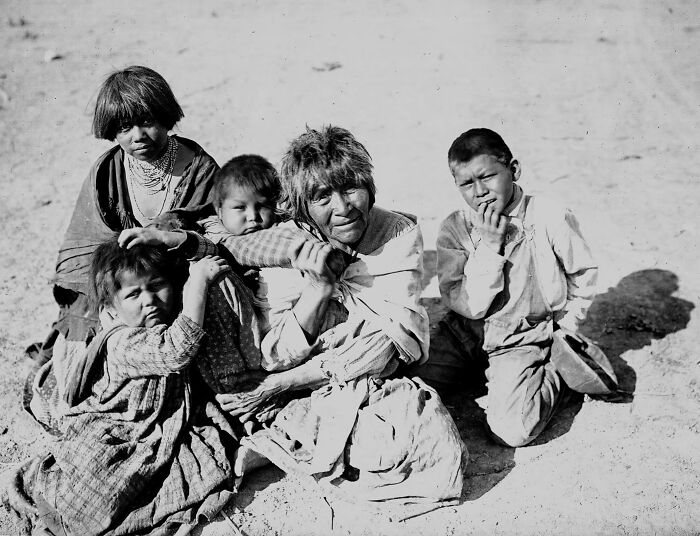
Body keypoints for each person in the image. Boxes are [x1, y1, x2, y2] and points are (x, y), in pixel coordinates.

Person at [209, 126, 467, 509]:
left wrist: (279, 384)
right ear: (303, 208)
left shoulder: (397, 233)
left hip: (362, 371)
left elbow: (394, 341)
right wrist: (317, 290)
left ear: (370, 188)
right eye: (322, 196)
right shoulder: (290, 243)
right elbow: (274, 352)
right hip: (316, 372)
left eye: (351, 188)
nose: (343, 207)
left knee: (423, 439)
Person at [26, 66, 219, 431]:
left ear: (165, 117)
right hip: (121, 280)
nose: (137, 135)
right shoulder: (107, 171)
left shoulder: (199, 168)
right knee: (90, 340)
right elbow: (84, 244)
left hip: (178, 275)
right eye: (124, 128)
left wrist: (166, 236)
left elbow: (216, 231)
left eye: (146, 121)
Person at [7, 239, 240, 535]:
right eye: (133, 295)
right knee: (101, 482)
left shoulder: (164, 323)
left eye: (157, 285)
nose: (149, 300)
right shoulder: (122, 341)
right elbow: (175, 351)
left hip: (155, 426)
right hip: (114, 427)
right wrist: (199, 283)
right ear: (112, 309)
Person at [418, 127, 617, 448]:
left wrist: (565, 328)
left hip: (522, 337)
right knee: (411, 382)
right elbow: (468, 304)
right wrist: (489, 247)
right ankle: (486, 372)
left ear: (514, 170)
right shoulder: (456, 228)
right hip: (466, 330)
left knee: (512, 430)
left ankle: (559, 373)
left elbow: (582, 272)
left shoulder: (549, 216)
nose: (479, 191)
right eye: (467, 184)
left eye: (488, 176)